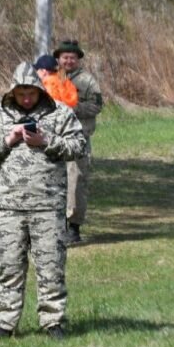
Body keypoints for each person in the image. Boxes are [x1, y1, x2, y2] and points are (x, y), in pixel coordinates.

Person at [0, 62, 87, 340]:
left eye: (31, 94)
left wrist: (46, 140)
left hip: (48, 204)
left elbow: (79, 146)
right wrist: (8, 139)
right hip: (8, 207)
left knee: (51, 267)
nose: (26, 99)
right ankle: (5, 323)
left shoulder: (60, 112)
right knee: (9, 267)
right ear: (13, 91)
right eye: (21, 94)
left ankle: (53, 322)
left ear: (40, 91)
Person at [53, 39, 102, 244]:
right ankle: (55, 225)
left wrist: (73, 107)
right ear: (59, 59)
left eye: (72, 57)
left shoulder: (88, 81)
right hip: (54, 138)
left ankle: (74, 227)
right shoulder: (51, 79)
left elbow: (97, 106)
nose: (69, 61)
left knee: (76, 182)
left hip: (78, 138)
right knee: (54, 181)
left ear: (78, 59)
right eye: (65, 57)